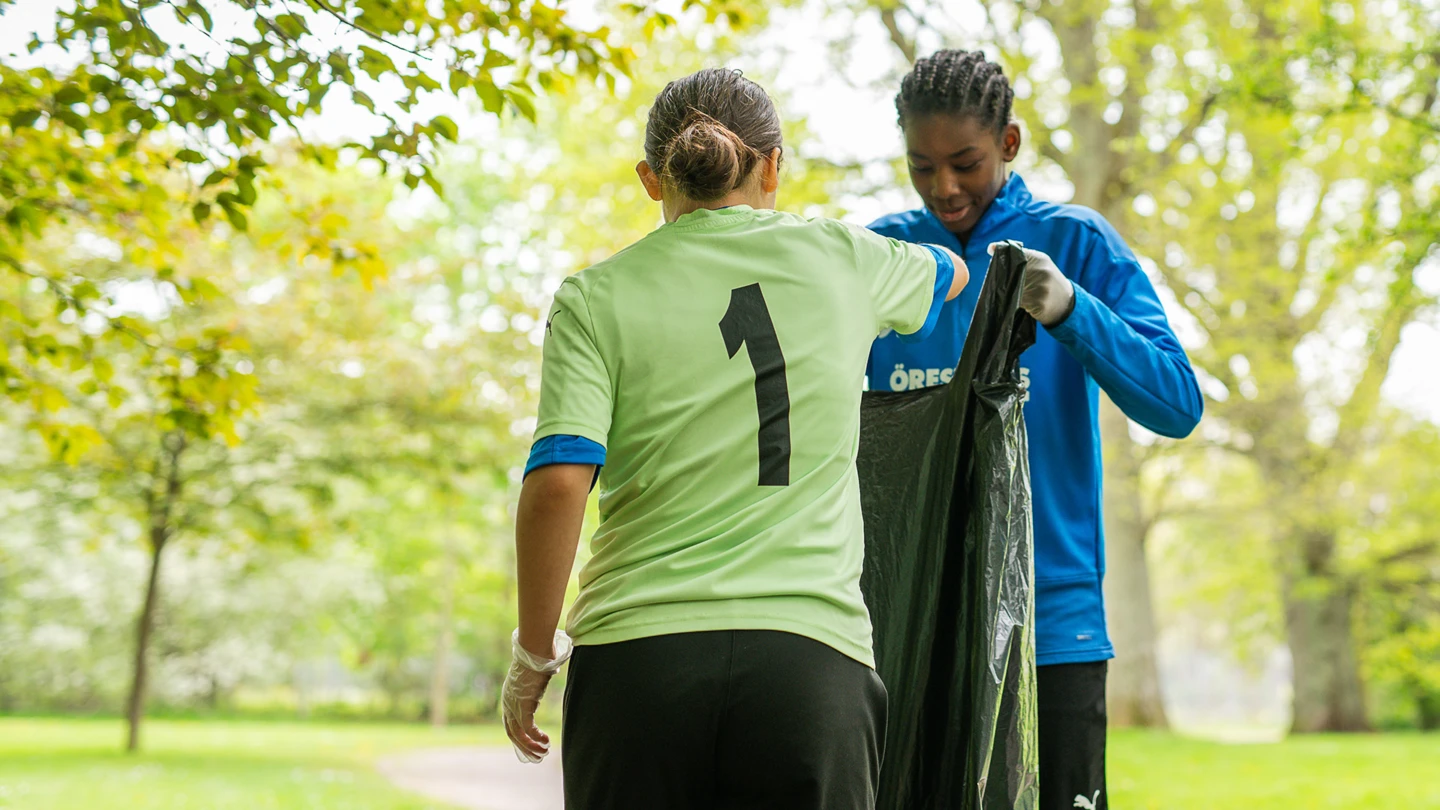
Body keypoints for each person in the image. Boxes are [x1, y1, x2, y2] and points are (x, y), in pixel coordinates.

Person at [501, 67, 969, 810]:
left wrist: (534, 653)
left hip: (638, 662)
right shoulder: (848, 258)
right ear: (773, 165)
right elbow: (951, 274)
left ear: (653, 180)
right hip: (810, 662)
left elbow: (560, 482)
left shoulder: (595, 297)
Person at [866, 50, 1204, 810]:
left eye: (966, 163)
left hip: (1054, 628)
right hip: (910, 624)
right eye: (922, 167)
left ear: (1009, 144)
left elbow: (1176, 403)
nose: (944, 188)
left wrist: (1073, 310)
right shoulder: (879, 257)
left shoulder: (1077, 241)